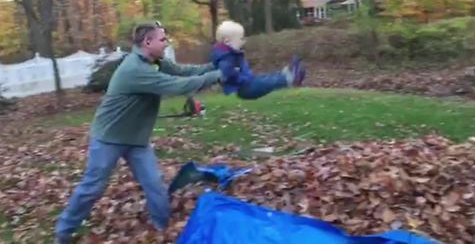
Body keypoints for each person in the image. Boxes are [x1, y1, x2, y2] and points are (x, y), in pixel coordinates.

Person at [54, 21, 223, 243]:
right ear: (147, 42)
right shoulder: (135, 69)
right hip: (109, 137)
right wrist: (219, 75)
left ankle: (162, 228)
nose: (166, 43)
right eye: (162, 39)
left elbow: (184, 71)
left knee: (154, 183)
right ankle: (64, 231)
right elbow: (178, 86)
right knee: (92, 187)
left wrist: (216, 66)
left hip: (136, 139)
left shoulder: (155, 61)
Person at [210, 20, 306, 100]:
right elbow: (227, 74)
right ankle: (288, 78)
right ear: (227, 41)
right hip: (242, 89)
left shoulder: (229, 54)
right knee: (263, 83)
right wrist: (241, 78)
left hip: (245, 83)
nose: (243, 41)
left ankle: (285, 74)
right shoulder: (226, 57)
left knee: (263, 78)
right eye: (241, 38)